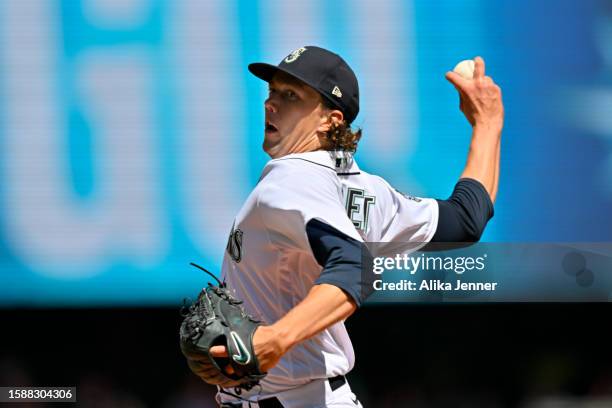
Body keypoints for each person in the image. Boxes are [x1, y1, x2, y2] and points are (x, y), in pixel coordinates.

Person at [208, 46, 504, 407]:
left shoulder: (291, 177)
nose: (271, 104)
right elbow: (465, 219)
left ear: (330, 121)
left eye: (291, 96)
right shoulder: (366, 189)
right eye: (272, 92)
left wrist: (276, 338)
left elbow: (355, 267)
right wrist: (487, 125)